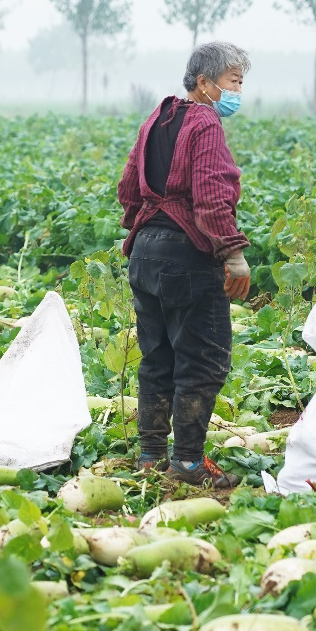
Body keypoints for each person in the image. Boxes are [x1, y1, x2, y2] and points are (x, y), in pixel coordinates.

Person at [117, 41, 252, 489]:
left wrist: (147, 229)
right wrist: (232, 254)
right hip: (185, 256)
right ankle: (189, 462)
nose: (237, 91)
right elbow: (212, 195)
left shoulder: (156, 118)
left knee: (157, 358)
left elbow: (128, 187)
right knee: (203, 360)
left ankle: (151, 456)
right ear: (204, 82)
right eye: (233, 81)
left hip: (144, 253)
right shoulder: (205, 122)